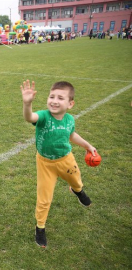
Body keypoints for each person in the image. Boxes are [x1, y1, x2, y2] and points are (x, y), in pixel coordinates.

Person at [20, 80, 97, 248]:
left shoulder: (69, 119)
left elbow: (72, 135)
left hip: (66, 160)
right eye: (51, 96)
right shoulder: (43, 116)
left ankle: (77, 191)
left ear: (70, 104)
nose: (54, 101)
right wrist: (27, 105)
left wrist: (88, 146)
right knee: (44, 198)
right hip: (45, 164)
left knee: (76, 181)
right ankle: (40, 227)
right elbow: (29, 117)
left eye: (60, 98)